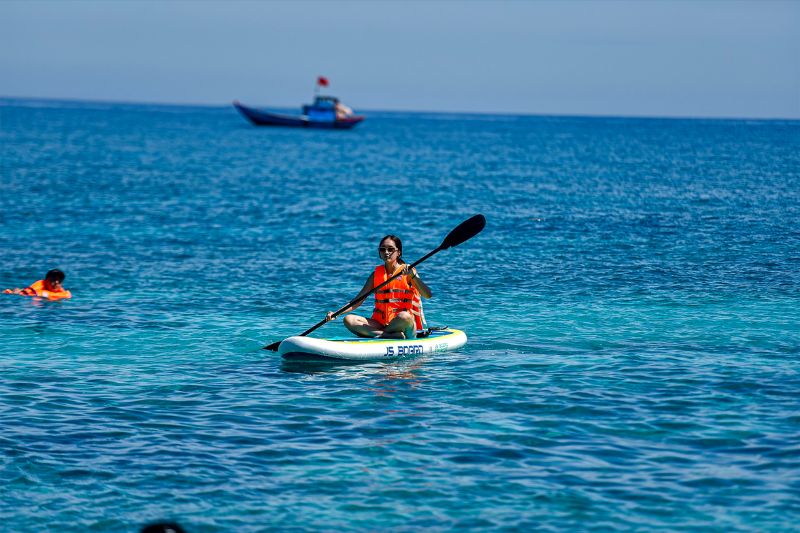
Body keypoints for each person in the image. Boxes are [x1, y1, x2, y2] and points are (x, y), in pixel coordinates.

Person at [327, 235, 431, 339]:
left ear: (398, 252)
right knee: (348, 319)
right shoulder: (375, 275)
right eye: (382, 249)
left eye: (390, 249)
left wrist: (412, 276)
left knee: (404, 316)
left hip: (402, 324)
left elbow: (427, 295)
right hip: (380, 324)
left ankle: (379, 334)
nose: (386, 252)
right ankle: (388, 335)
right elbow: (357, 301)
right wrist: (336, 313)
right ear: (379, 253)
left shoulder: (409, 271)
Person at [3, 269, 72, 300]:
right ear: (46, 280)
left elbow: (67, 295)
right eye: (53, 280)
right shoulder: (40, 284)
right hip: (24, 293)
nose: (56, 283)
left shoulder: (58, 286)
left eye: (59, 281)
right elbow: (37, 295)